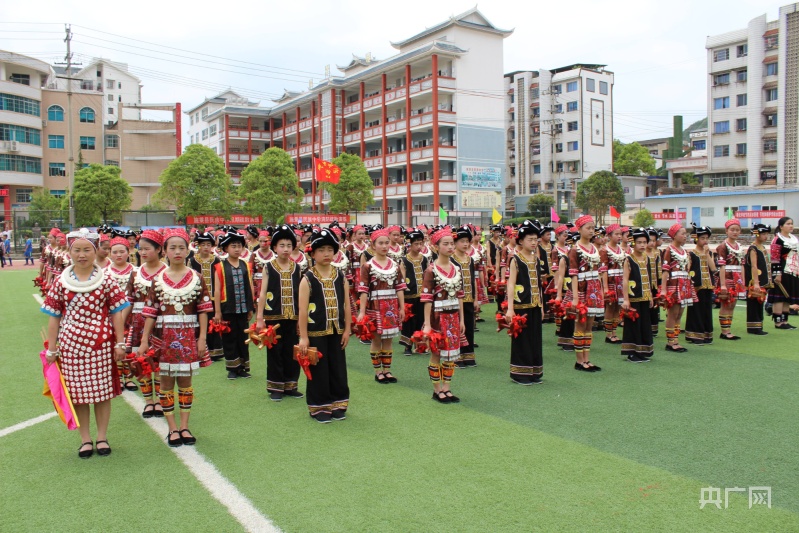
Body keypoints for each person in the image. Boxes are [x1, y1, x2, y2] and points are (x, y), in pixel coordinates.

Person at [41, 229, 130, 458]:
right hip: (71, 347)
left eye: (87, 249)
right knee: (78, 394)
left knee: (102, 393)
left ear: (95, 250)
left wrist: (120, 343)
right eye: (77, 250)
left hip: (102, 345)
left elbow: (117, 313)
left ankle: (102, 437)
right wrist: (53, 348)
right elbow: (54, 317)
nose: (82, 255)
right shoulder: (62, 281)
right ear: (70, 251)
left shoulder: (107, 279)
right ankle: (85, 439)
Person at [138, 229, 213, 447]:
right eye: (173, 247)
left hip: (189, 338)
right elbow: (151, 312)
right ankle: (172, 428)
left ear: (188, 249)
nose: (177, 251)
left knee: (186, 383)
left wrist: (202, 339)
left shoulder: (197, 278)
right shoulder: (157, 280)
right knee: (166, 382)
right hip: (163, 339)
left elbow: (203, 310)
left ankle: (185, 426)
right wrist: (144, 341)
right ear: (165, 251)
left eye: (182, 247)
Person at [297, 228, 352, 423]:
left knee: (338, 367)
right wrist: (303, 337)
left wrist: (347, 329)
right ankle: (319, 406)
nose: (326, 254)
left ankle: (338, 402)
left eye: (330, 249)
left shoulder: (340, 276)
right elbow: (302, 311)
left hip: (337, 330)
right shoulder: (307, 278)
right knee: (318, 369)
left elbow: (346, 304)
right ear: (313, 253)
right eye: (321, 250)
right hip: (315, 331)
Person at [255, 224, 303, 401]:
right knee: (275, 351)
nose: (285, 249)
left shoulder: (297, 268)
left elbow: (300, 294)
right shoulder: (268, 267)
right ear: (274, 247)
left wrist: (300, 318)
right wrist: (260, 317)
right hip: (273, 316)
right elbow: (262, 293)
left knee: (292, 351)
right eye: (282, 246)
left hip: (293, 316)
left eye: (289, 245)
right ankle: (276, 387)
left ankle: (291, 385)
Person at [126, 229, 167, 417]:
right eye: (140, 249)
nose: (142, 252)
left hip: (161, 323)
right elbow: (129, 299)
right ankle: (148, 401)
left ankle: (159, 399)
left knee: (158, 361)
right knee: (141, 361)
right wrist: (122, 325)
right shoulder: (135, 273)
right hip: (138, 321)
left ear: (159, 249)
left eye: (147, 249)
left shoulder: (167, 272)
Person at [422, 227, 465, 403]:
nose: (449, 247)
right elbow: (427, 299)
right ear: (436, 247)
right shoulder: (431, 270)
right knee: (436, 353)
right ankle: (436, 389)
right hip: (437, 317)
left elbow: (460, 296)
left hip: (453, 316)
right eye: (445, 244)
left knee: (452, 353)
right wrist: (427, 324)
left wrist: (462, 319)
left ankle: (447, 388)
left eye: (451, 243)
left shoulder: (457, 268)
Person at [357, 227, 406, 384]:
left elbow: (399, 288)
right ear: (373, 245)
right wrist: (362, 312)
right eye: (381, 243)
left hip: (391, 306)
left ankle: (387, 370)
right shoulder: (368, 266)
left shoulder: (395, 265)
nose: (384, 246)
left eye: (386, 243)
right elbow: (363, 290)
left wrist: (402, 307)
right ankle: (378, 371)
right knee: (376, 339)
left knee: (389, 340)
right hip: (375, 306)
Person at [505, 220, 544, 383]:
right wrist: (510, 308)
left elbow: (539, 283)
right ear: (521, 241)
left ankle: (534, 372)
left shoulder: (535, 259)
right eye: (530, 239)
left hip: (535, 305)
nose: (534, 243)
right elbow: (511, 283)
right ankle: (520, 373)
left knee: (535, 339)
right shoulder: (516, 259)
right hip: (521, 306)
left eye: (536, 239)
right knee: (522, 340)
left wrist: (541, 305)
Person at [213, 231, 255, 380]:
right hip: (228, 308)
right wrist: (217, 312)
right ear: (226, 249)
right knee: (229, 338)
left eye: (239, 246)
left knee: (243, 338)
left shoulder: (246, 265)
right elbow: (217, 290)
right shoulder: (220, 266)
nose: (237, 249)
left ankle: (243, 367)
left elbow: (250, 286)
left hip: (243, 307)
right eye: (233, 246)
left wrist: (251, 307)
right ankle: (232, 368)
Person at [569, 216, 605, 371]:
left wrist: (601, 291)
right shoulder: (575, 250)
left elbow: (598, 272)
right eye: (588, 228)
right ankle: (579, 360)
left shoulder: (594, 248)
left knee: (590, 325)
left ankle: (587, 358)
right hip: (582, 291)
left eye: (592, 228)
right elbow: (574, 275)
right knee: (580, 324)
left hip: (594, 289)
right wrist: (576, 297)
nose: (591, 231)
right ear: (579, 229)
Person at [620, 228, 655, 362]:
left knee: (644, 324)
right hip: (633, 298)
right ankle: (631, 352)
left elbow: (649, 277)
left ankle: (643, 350)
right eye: (639, 242)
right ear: (633, 243)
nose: (642, 245)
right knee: (633, 325)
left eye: (644, 242)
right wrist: (626, 299)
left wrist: (650, 295)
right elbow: (625, 280)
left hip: (645, 297)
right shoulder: (629, 259)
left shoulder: (646, 258)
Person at [188, 231, 223, 361]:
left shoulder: (217, 260)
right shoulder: (192, 261)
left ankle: (215, 351)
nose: (206, 247)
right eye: (203, 244)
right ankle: (199, 350)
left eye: (209, 244)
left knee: (213, 323)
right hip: (198, 297)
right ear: (198, 246)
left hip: (214, 297)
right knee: (198, 323)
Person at [660, 223, 692, 352]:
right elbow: (665, 271)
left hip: (684, 284)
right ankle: (670, 341)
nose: (685, 236)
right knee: (673, 313)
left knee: (679, 313)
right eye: (682, 234)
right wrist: (663, 289)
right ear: (674, 235)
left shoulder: (684, 251)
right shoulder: (669, 250)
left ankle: (676, 339)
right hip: (674, 284)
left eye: (686, 234)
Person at [684, 224, 716, 345]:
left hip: (708, 285)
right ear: (696, 238)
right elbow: (688, 269)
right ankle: (694, 334)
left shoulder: (709, 253)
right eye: (702, 238)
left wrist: (707, 254)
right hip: (696, 286)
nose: (705, 241)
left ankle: (706, 334)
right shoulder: (691, 254)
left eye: (707, 238)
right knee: (695, 310)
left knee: (706, 310)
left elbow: (713, 269)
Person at [716, 219, 747, 340]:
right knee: (726, 304)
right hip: (727, 277)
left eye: (737, 230)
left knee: (733, 304)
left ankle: (728, 329)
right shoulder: (722, 247)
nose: (735, 232)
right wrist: (723, 284)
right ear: (726, 231)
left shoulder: (739, 247)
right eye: (732, 230)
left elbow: (742, 265)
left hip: (737, 278)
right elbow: (722, 266)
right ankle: (725, 331)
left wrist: (743, 281)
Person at [399, 229, 428, 355]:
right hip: (409, 296)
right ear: (410, 245)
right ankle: (407, 346)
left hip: (423, 295)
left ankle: (420, 346)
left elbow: (428, 275)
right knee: (409, 321)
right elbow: (402, 279)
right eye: (416, 244)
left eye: (421, 243)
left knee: (421, 320)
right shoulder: (404, 260)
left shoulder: (425, 259)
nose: (419, 246)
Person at [452, 225, 478, 368]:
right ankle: (457, 355)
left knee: (469, 326)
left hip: (469, 297)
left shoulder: (470, 260)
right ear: (455, 243)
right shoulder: (451, 259)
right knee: (456, 327)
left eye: (467, 241)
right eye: (462, 241)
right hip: (455, 299)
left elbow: (473, 280)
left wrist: (476, 298)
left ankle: (468, 354)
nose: (465, 244)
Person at [769, 216, 799, 329]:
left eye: (791, 223)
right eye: (788, 224)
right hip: (781, 271)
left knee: (788, 296)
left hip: (793, 271)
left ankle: (785, 321)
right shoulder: (777, 239)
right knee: (779, 297)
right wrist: (777, 273)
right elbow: (775, 258)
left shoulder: (794, 239)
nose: (790, 226)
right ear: (781, 227)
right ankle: (778, 322)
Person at [746, 223, 773, 335]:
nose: (766, 236)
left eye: (767, 234)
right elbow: (754, 266)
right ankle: (753, 327)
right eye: (763, 234)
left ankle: (758, 325)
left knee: (760, 302)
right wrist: (756, 282)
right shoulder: (753, 248)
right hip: (756, 280)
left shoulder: (762, 247)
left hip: (762, 280)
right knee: (754, 303)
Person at [600, 224, 626, 344]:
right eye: (616, 234)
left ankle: (614, 332)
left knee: (618, 308)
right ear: (609, 235)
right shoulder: (604, 250)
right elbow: (603, 270)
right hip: (610, 282)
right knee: (610, 307)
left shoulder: (621, 250)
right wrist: (605, 287)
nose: (619, 236)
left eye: (620, 234)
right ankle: (608, 334)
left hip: (620, 281)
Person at [646, 228, 663, 337]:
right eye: (650, 240)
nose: (652, 243)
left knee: (654, 306)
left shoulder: (656, 254)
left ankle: (653, 327)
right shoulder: (642, 255)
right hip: (645, 285)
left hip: (654, 284)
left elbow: (659, 270)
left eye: (653, 240)